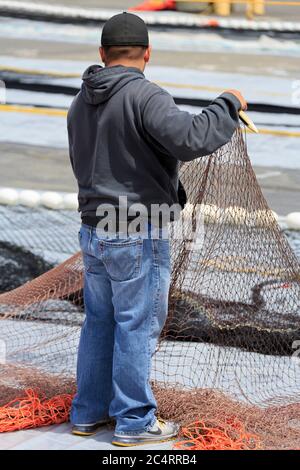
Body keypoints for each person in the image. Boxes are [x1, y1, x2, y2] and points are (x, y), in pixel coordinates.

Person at [67, 11, 247, 447]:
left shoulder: (80, 100)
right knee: (137, 324)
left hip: (93, 230)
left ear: (102, 55)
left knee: (100, 322)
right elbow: (190, 138)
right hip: (135, 229)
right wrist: (227, 103)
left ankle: (87, 413)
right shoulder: (145, 96)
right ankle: (133, 421)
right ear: (148, 54)